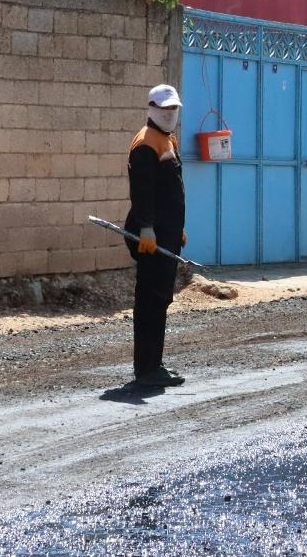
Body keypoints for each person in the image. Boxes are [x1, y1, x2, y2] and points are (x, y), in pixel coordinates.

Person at [124, 83, 188, 387]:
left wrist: (178, 230)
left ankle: (155, 362)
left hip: (166, 235)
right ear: (151, 109)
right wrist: (146, 227)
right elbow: (143, 191)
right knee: (149, 300)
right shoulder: (146, 143)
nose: (169, 114)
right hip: (150, 238)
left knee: (160, 299)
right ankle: (146, 369)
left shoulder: (166, 140)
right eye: (163, 109)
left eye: (173, 109)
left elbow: (171, 192)